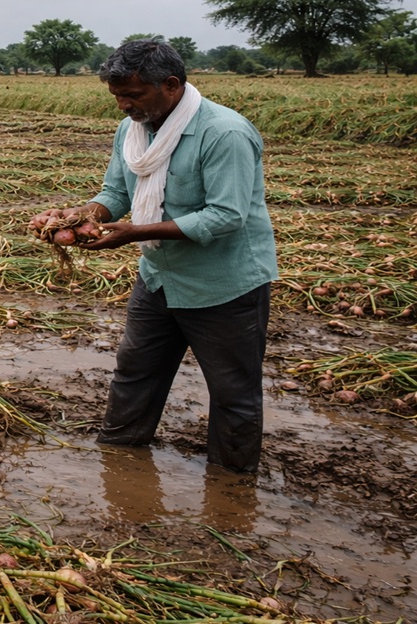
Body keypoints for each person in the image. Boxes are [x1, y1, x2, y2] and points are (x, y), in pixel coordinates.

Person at [28, 38, 277, 474]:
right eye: (117, 96)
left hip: (224, 284)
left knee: (232, 393)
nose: (123, 105)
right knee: (134, 374)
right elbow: (116, 192)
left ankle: (232, 487)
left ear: (171, 85)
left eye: (133, 95)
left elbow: (226, 215)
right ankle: (120, 462)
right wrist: (78, 217)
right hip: (160, 276)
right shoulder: (133, 129)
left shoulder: (224, 133)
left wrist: (135, 234)